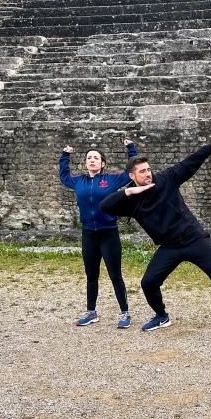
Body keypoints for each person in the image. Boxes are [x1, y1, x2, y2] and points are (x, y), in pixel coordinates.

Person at [100, 126, 211, 338]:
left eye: (148, 169)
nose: (148, 174)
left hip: (195, 239)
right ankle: (161, 316)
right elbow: (105, 206)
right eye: (142, 172)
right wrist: (129, 191)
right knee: (148, 283)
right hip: (169, 247)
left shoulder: (165, 179)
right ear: (132, 176)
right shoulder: (131, 201)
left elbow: (189, 163)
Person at [59, 139, 138, 328]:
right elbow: (64, 176)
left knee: (115, 275)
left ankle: (125, 313)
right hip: (89, 235)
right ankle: (91, 312)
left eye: (96, 158)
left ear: (103, 163)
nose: (92, 160)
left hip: (108, 234)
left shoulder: (111, 180)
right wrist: (65, 156)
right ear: (85, 163)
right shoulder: (79, 181)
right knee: (91, 275)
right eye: (89, 158)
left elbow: (131, 172)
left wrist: (131, 149)